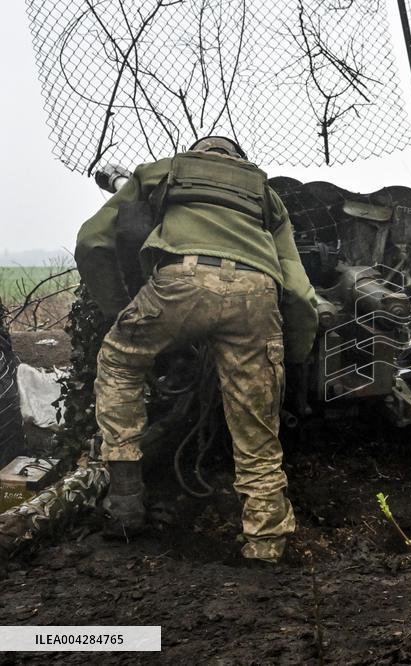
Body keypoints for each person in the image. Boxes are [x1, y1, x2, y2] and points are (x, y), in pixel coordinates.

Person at [75, 136, 318, 563]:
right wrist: (292, 358)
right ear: (238, 160)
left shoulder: (162, 170)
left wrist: (122, 310)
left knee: (119, 362)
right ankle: (265, 544)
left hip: (179, 283)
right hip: (257, 294)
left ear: (197, 153)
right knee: (255, 425)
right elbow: (298, 292)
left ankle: (127, 505)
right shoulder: (266, 194)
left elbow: (93, 239)